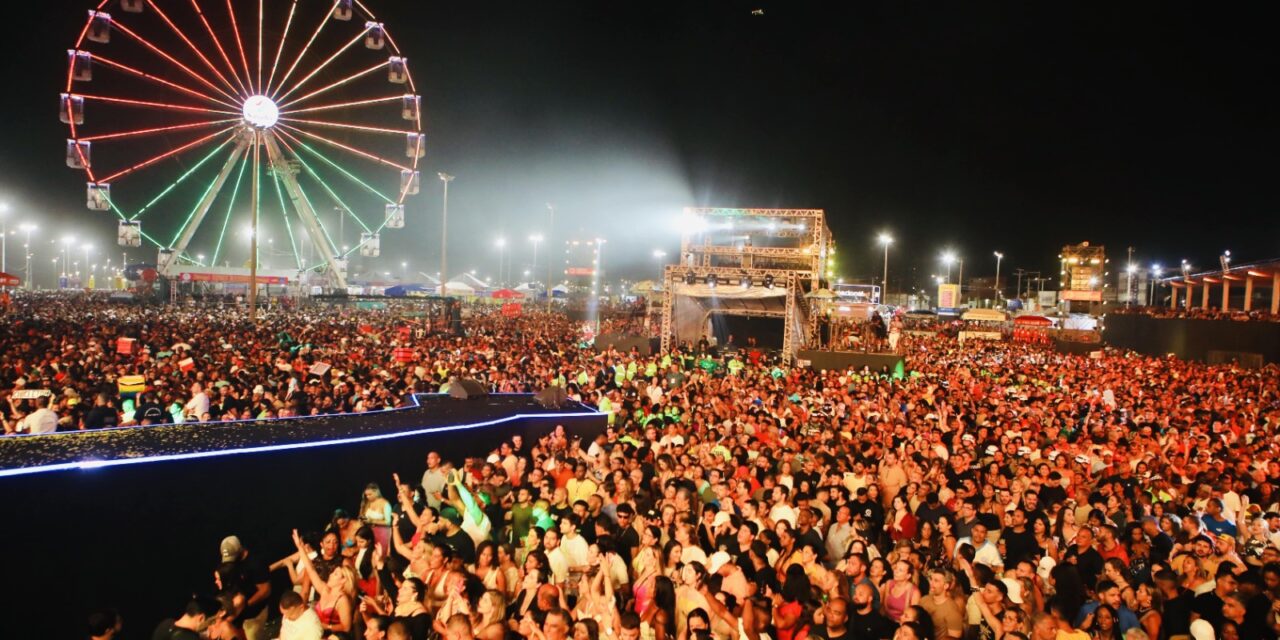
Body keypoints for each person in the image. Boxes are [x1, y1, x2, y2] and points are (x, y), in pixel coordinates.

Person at [151, 596, 222, 640]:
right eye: (212, 621)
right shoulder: (191, 638)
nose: (213, 625)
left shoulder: (166, 624)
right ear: (201, 618)